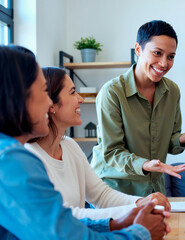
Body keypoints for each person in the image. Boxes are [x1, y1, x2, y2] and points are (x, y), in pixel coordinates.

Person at [0, 45, 169, 240]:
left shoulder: (59, 147)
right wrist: (140, 233)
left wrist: (119, 221)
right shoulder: (13, 160)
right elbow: (67, 233)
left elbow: (66, 224)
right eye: (42, 91)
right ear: (19, 95)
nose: (47, 103)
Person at [91, 20, 185, 196]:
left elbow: (170, 145)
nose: (164, 63)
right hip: (113, 190)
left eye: (171, 56)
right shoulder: (112, 93)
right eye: (157, 53)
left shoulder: (172, 91)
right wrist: (145, 165)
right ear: (138, 49)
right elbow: (112, 152)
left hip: (153, 188)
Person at [25, 67, 171, 221]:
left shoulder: (69, 146)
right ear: (51, 104)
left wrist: (140, 202)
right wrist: (135, 209)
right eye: (72, 92)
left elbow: (101, 196)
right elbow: (64, 216)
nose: (81, 99)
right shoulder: (29, 156)